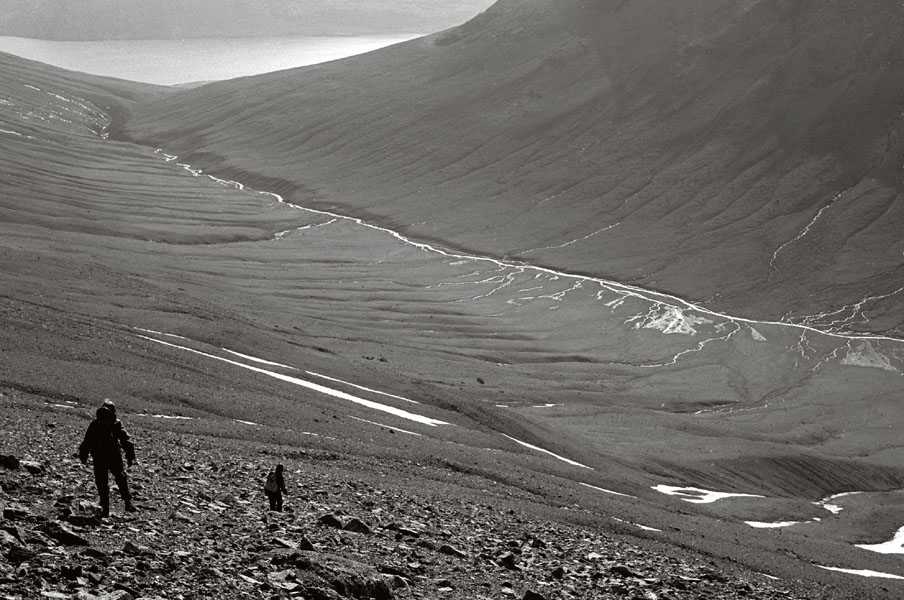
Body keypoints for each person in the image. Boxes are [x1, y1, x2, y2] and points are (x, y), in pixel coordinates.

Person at [79, 400, 137, 517]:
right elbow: (87, 441)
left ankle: (122, 503)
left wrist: (83, 456)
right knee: (107, 481)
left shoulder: (112, 424)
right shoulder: (101, 424)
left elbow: (125, 440)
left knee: (115, 479)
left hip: (109, 456)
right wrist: (130, 457)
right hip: (105, 456)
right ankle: (111, 506)